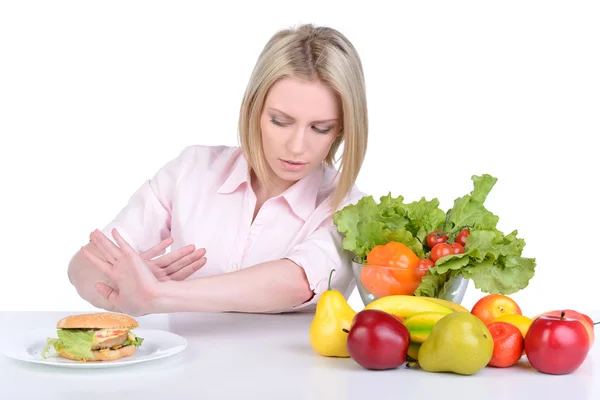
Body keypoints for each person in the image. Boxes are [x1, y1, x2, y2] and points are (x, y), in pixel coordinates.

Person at [67, 23, 369, 317]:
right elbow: (84, 264)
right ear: (254, 109)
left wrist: (158, 294)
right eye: (280, 121)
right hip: (182, 367)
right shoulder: (193, 170)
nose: (296, 146)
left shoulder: (351, 210)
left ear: (342, 129)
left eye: (320, 128)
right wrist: (120, 287)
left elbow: (297, 281)